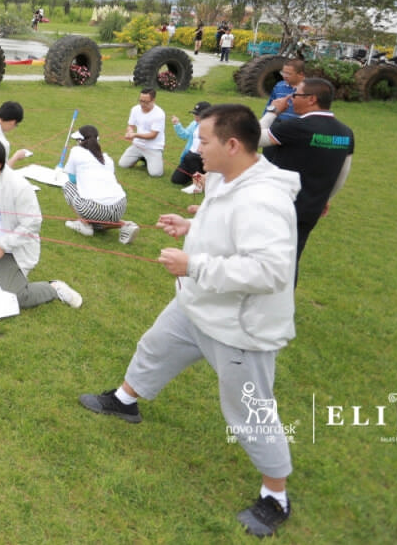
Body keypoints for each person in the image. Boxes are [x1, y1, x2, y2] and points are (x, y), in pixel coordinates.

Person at [78, 103, 299, 538]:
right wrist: (189, 225)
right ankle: (125, 401)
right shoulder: (226, 176)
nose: (196, 149)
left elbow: (270, 272)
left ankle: (276, 495)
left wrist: (193, 264)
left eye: (203, 141)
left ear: (232, 145)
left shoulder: (264, 198)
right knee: (155, 346)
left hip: (240, 325)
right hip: (197, 304)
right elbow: (223, 223)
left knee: (249, 411)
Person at [0, 137, 83, 309]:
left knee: (18, 297)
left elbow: (32, 223)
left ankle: (54, 288)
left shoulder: (19, 187)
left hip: (8, 248)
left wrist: (1, 246)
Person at [260, 77, 355, 283]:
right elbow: (342, 173)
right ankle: (284, 307)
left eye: (296, 95)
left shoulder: (296, 126)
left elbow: (254, 139)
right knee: (292, 256)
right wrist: (324, 198)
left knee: (266, 255)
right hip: (311, 207)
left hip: (279, 204)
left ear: (312, 99)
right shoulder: (346, 133)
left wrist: (273, 111)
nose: (291, 99)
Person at [61, 125, 136, 243]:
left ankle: (84, 224)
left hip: (94, 209)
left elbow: (72, 179)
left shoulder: (76, 151)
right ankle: (125, 224)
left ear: (80, 141)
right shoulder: (107, 158)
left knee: (67, 185)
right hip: (120, 206)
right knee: (99, 218)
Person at [119, 87, 166, 177]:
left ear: (153, 100)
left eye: (146, 102)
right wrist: (130, 131)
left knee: (155, 174)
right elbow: (130, 125)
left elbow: (153, 135)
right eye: (140, 101)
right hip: (138, 145)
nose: (142, 104)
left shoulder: (159, 114)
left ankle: (150, 158)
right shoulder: (135, 109)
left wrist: (135, 135)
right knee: (122, 164)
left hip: (153, 147)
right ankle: (140, 157)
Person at [169, 100, 210, 192]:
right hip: (190, 157)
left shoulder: (213, 127)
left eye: (197, 114)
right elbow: (184, 135)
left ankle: (198, 184)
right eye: (194, 114)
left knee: (190, 156)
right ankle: (197, 176)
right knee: (176, 180)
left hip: (202, 159)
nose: (195, 116)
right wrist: (177, 125)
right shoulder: (194, 124)